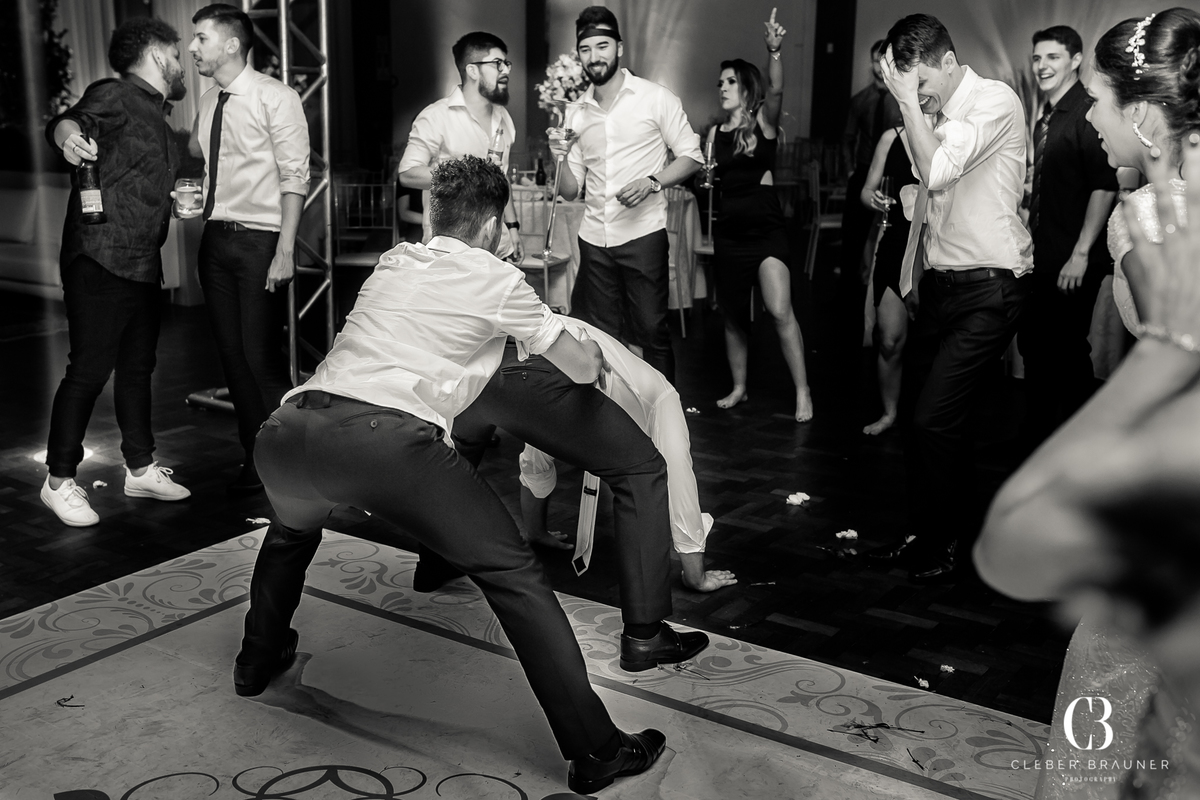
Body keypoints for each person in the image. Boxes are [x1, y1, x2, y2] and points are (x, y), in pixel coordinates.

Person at [236, 156, 666, 794]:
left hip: (286, 432)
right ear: (494, 225)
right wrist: (592, 351)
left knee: (291, 534)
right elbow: (576, 368)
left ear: (435, 217)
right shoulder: (495, 277)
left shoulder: (393, 261)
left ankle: (255, 661)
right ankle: (597, 749)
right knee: (513, 574)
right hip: (383, 444)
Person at [975, 13, 1200, 795]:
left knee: (1103, 685)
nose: (1092, 117)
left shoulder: (1151, 219)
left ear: (1141, 113)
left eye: (1100, 99)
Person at [865, 14, 1033, 582]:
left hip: (991, 287)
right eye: (906, 87)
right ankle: (933, 536)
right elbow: (924, 192)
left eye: (920, 82)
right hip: (941, 287)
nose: (917, 95)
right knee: (925, 417)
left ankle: (950, 541)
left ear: (946, 60)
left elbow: (936, 172)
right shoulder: (932, 113)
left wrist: (910, 105)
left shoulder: (994, 101)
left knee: (935, 418)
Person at [39, 18, 192, 527]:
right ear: (154, 54)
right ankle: (58, 480)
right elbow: (70, 120)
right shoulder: (118, 94)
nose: (183, 59)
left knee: (136, 370)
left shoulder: (160, 118)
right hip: (101, 256)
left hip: (142, 262)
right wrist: (67, 139)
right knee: (87, 370)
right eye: (176, 50)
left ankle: (140, 467)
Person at [514, 314, 737, 593]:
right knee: (536, 449)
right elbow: (534, 459)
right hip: (572, 392)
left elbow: (681, 488)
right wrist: (536, 535)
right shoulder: (518, 346)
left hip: (650, 400)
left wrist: (696, 576)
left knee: (674, 471)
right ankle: (536, 531)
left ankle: (691, 574)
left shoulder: (561, 343)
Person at [188, 3, 310, 495]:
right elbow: (211, 162)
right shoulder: (207, 99)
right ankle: (254, 456)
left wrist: (285, 250)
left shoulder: (275, 97)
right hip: (214, 239)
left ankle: (294, 461)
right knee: (231, 357)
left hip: (260, 241)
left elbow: (295, 176)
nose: (193, 47)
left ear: (232, 43)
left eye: (201, 38)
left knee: (261, 358)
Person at [551, 5, 703, 384]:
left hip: (642, 237)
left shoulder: (655, 97)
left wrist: (654, 182)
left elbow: (692, 156)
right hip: (594, 240)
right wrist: (560, 158)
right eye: (585, 49)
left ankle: (665, 423)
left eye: (602, 46)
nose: (594, 56)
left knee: (652, 332)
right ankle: (613, 423)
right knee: (598, 336)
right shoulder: (576, 112)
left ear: (619, 48)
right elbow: (570, 193)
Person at [1017, 25, 1118, 452]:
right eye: (1037, 58)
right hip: (1044, 255)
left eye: (1052, 57)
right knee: (1038, 349)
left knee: (1066, 354)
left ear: (1076, 60)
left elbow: (1105, 184)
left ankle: (1080, 446)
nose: (1042, 66)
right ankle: (1044, 442)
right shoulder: (1049, 114)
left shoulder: (1086, 112)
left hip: (1071, 259)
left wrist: (1080, 253)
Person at [709, 12, 813, 423]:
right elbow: (708, 176)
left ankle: (803, 391)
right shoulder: (715, 134)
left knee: (780, 309)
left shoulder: (765, 124)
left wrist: (774, 50)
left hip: (766, 231)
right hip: (730, 233)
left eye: (730, 81)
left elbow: (779, 86)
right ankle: (739, 387)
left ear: (747, 87)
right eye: (720, 82)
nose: (722, 87)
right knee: (733, 317)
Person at [397, 31, 523, 261]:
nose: (505, 70)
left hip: (498, 248)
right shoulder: (436, 116)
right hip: (449, 254)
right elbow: (407, 174)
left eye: (506, 63)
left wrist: (513, 228)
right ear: (472, 70)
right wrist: (467, 176)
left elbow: (502, 178)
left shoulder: (504, 117)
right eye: (497, 63)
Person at [859, 125, 916, 436]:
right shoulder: (890, 137)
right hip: (895, 244)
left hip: (935, 249)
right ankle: (890, 412)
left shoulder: (951, 131)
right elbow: (866, 191)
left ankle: (925, 415)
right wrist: (875, 199)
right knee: (890, 339)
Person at [842, 39, 901, 284]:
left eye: (884, 61)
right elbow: (847, 139)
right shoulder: (859, 100)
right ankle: (849, 282)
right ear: (871, 62)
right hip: (864, 170)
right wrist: (850, 171)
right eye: (876, 61)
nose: (879, 66)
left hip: (892, 174)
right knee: (853, 234)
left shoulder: (900, 100)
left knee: (888, 233)